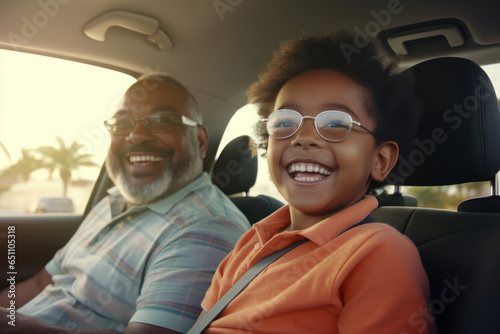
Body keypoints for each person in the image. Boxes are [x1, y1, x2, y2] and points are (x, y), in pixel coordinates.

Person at [196, 31, 436, 333]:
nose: (303, 137)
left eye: (336, 124)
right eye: (284, 122)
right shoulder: (252, 240)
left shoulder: (378, 252)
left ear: (380, 160)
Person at [0, 74, 250, 333]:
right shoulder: (113, 202)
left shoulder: (208, 228)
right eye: (122, 123)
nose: (137, 135)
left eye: (162, 121)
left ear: (199, 141)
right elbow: (42, 283)